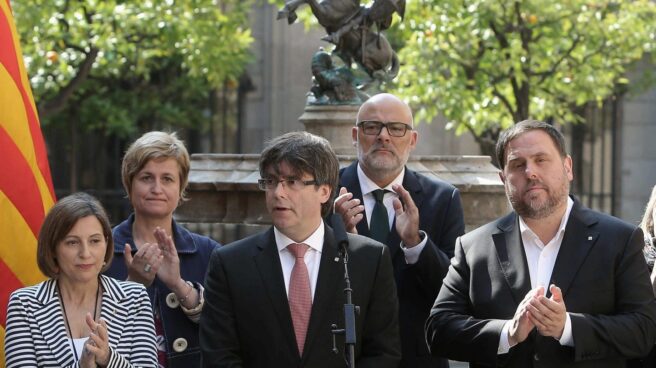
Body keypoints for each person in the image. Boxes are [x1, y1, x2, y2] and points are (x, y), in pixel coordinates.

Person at [426, 120, 656, 367]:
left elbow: (643, 331)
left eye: (541, 159)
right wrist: (507, 333)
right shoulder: (473, 247)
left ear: (568, 167)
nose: (530, 172)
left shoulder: (620, 239)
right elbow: (438, 330)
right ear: (503, 178)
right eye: (518, 164)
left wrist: (567, 327)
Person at [200, 131, 401, 367]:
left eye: (292, 181)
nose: (278, 193)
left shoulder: (367, 259)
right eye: (271, 181)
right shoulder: (230, 263)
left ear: (324, 191)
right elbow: (219, 356)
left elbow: (383, 354)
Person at [334, 93, 465, 368]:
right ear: (355, 135)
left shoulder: (442, 199)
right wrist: (340, 241)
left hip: (417, 357)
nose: (384, 136)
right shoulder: (325, 193)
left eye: (396, 128)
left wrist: (416, 244)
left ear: (412, 140)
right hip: (341, 354)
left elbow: (455, 291)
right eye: (372, 127)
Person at [104, 131, 220, 367]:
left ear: (181, 187)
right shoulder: (99, 251)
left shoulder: (210, 253)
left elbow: (224, 329)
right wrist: (132, 286)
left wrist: (178, 284)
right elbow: (81, 331)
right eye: (147, 177)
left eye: (167, 179)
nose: (157, 188)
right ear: (129, 182)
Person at [4, 192, 157, 367]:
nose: (85, 253)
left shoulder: (135, 297)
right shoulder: (25, 304)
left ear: (106, 243)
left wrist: (109, 358)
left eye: (94, 241)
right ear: (53, 248)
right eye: (72, 242)